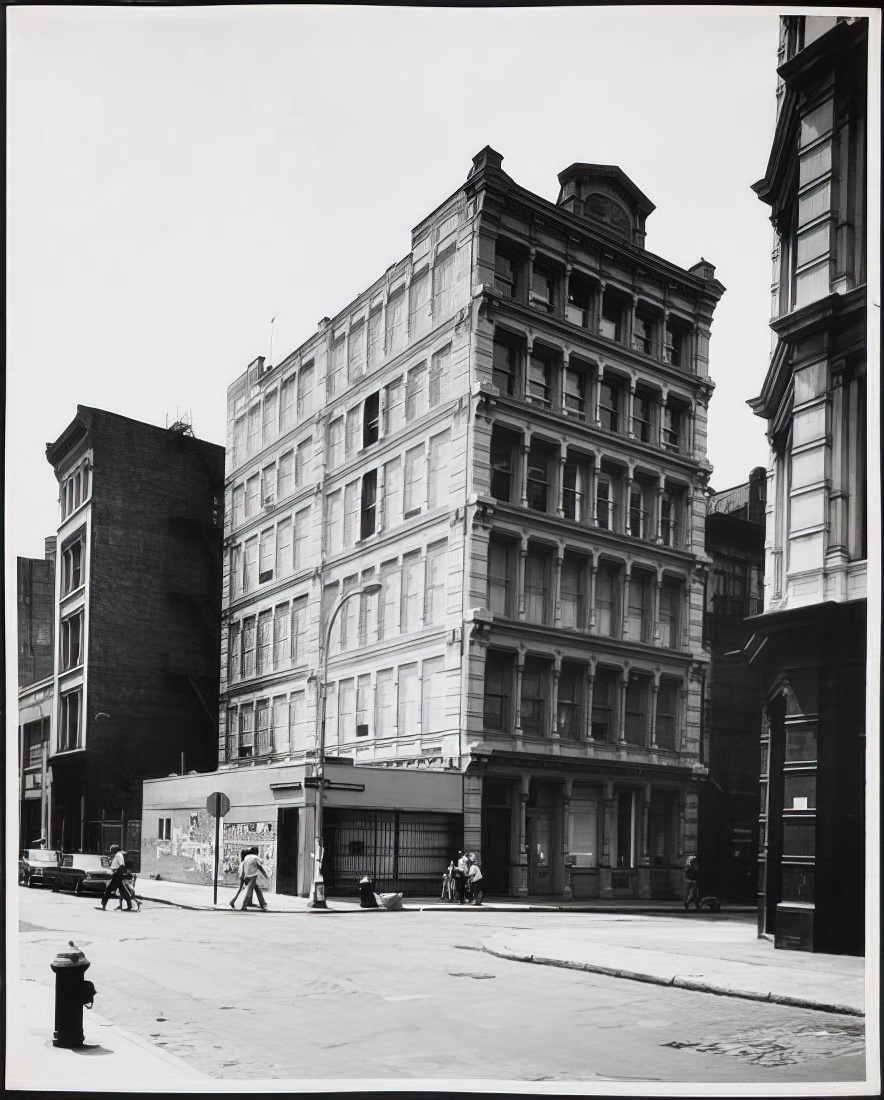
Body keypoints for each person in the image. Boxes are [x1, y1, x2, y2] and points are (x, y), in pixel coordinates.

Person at [101, 844, 133, 911]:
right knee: (122, 890)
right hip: (117, 874)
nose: (111, 851)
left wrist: (115, 872)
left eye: (112, 849)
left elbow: (121, 865)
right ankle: (129, 905)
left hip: (117, 875)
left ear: (115, 849)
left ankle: (103, 905)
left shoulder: (119, 855)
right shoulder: (117, 855)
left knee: (109, 889)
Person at [239, 846, 268, 911]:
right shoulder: (255, 858)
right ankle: (243, 906)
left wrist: (243, 876)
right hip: (252, 877)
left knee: (257, 889)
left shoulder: (246, 857)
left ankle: (262, 904)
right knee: (248, 891)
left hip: (246, 876)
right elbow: (260, 866)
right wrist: (265, 875)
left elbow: (243, 867)